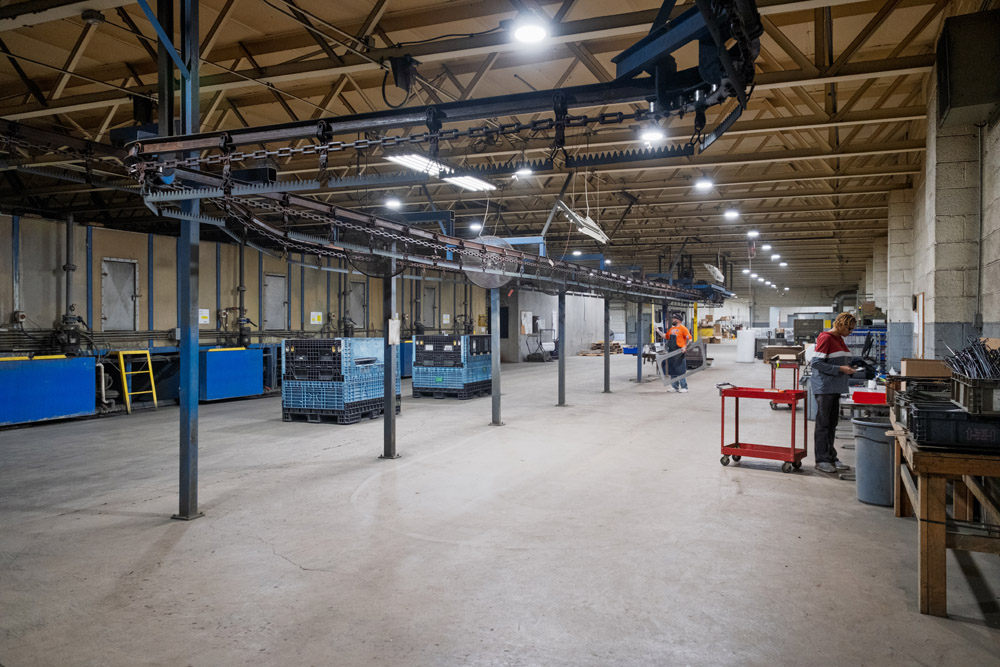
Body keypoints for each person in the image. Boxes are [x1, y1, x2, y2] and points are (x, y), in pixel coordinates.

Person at [810, 312, 857, 473]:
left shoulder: (839, 339)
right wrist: (840, 369)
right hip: (825, 387)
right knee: (823, 424)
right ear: (841, 325)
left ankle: (831, 457)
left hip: (835, 387)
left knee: (832, 424)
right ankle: (821, 459)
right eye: (849, 329)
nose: (850, 332)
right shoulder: (826, 338)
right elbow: (816, 363)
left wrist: (850, 366)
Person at [656, 312, 692, 393]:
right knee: (672, 369)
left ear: (678, 320)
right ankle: (675, 387)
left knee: (680, 370)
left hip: (679, 352)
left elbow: (690, 339)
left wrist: (685, 347)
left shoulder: (683, 329)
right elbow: (665, 336)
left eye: (674, 318)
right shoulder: (672, 329)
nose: (672, 320)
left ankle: (684, 387)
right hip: (671, 351)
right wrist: (658, 331)